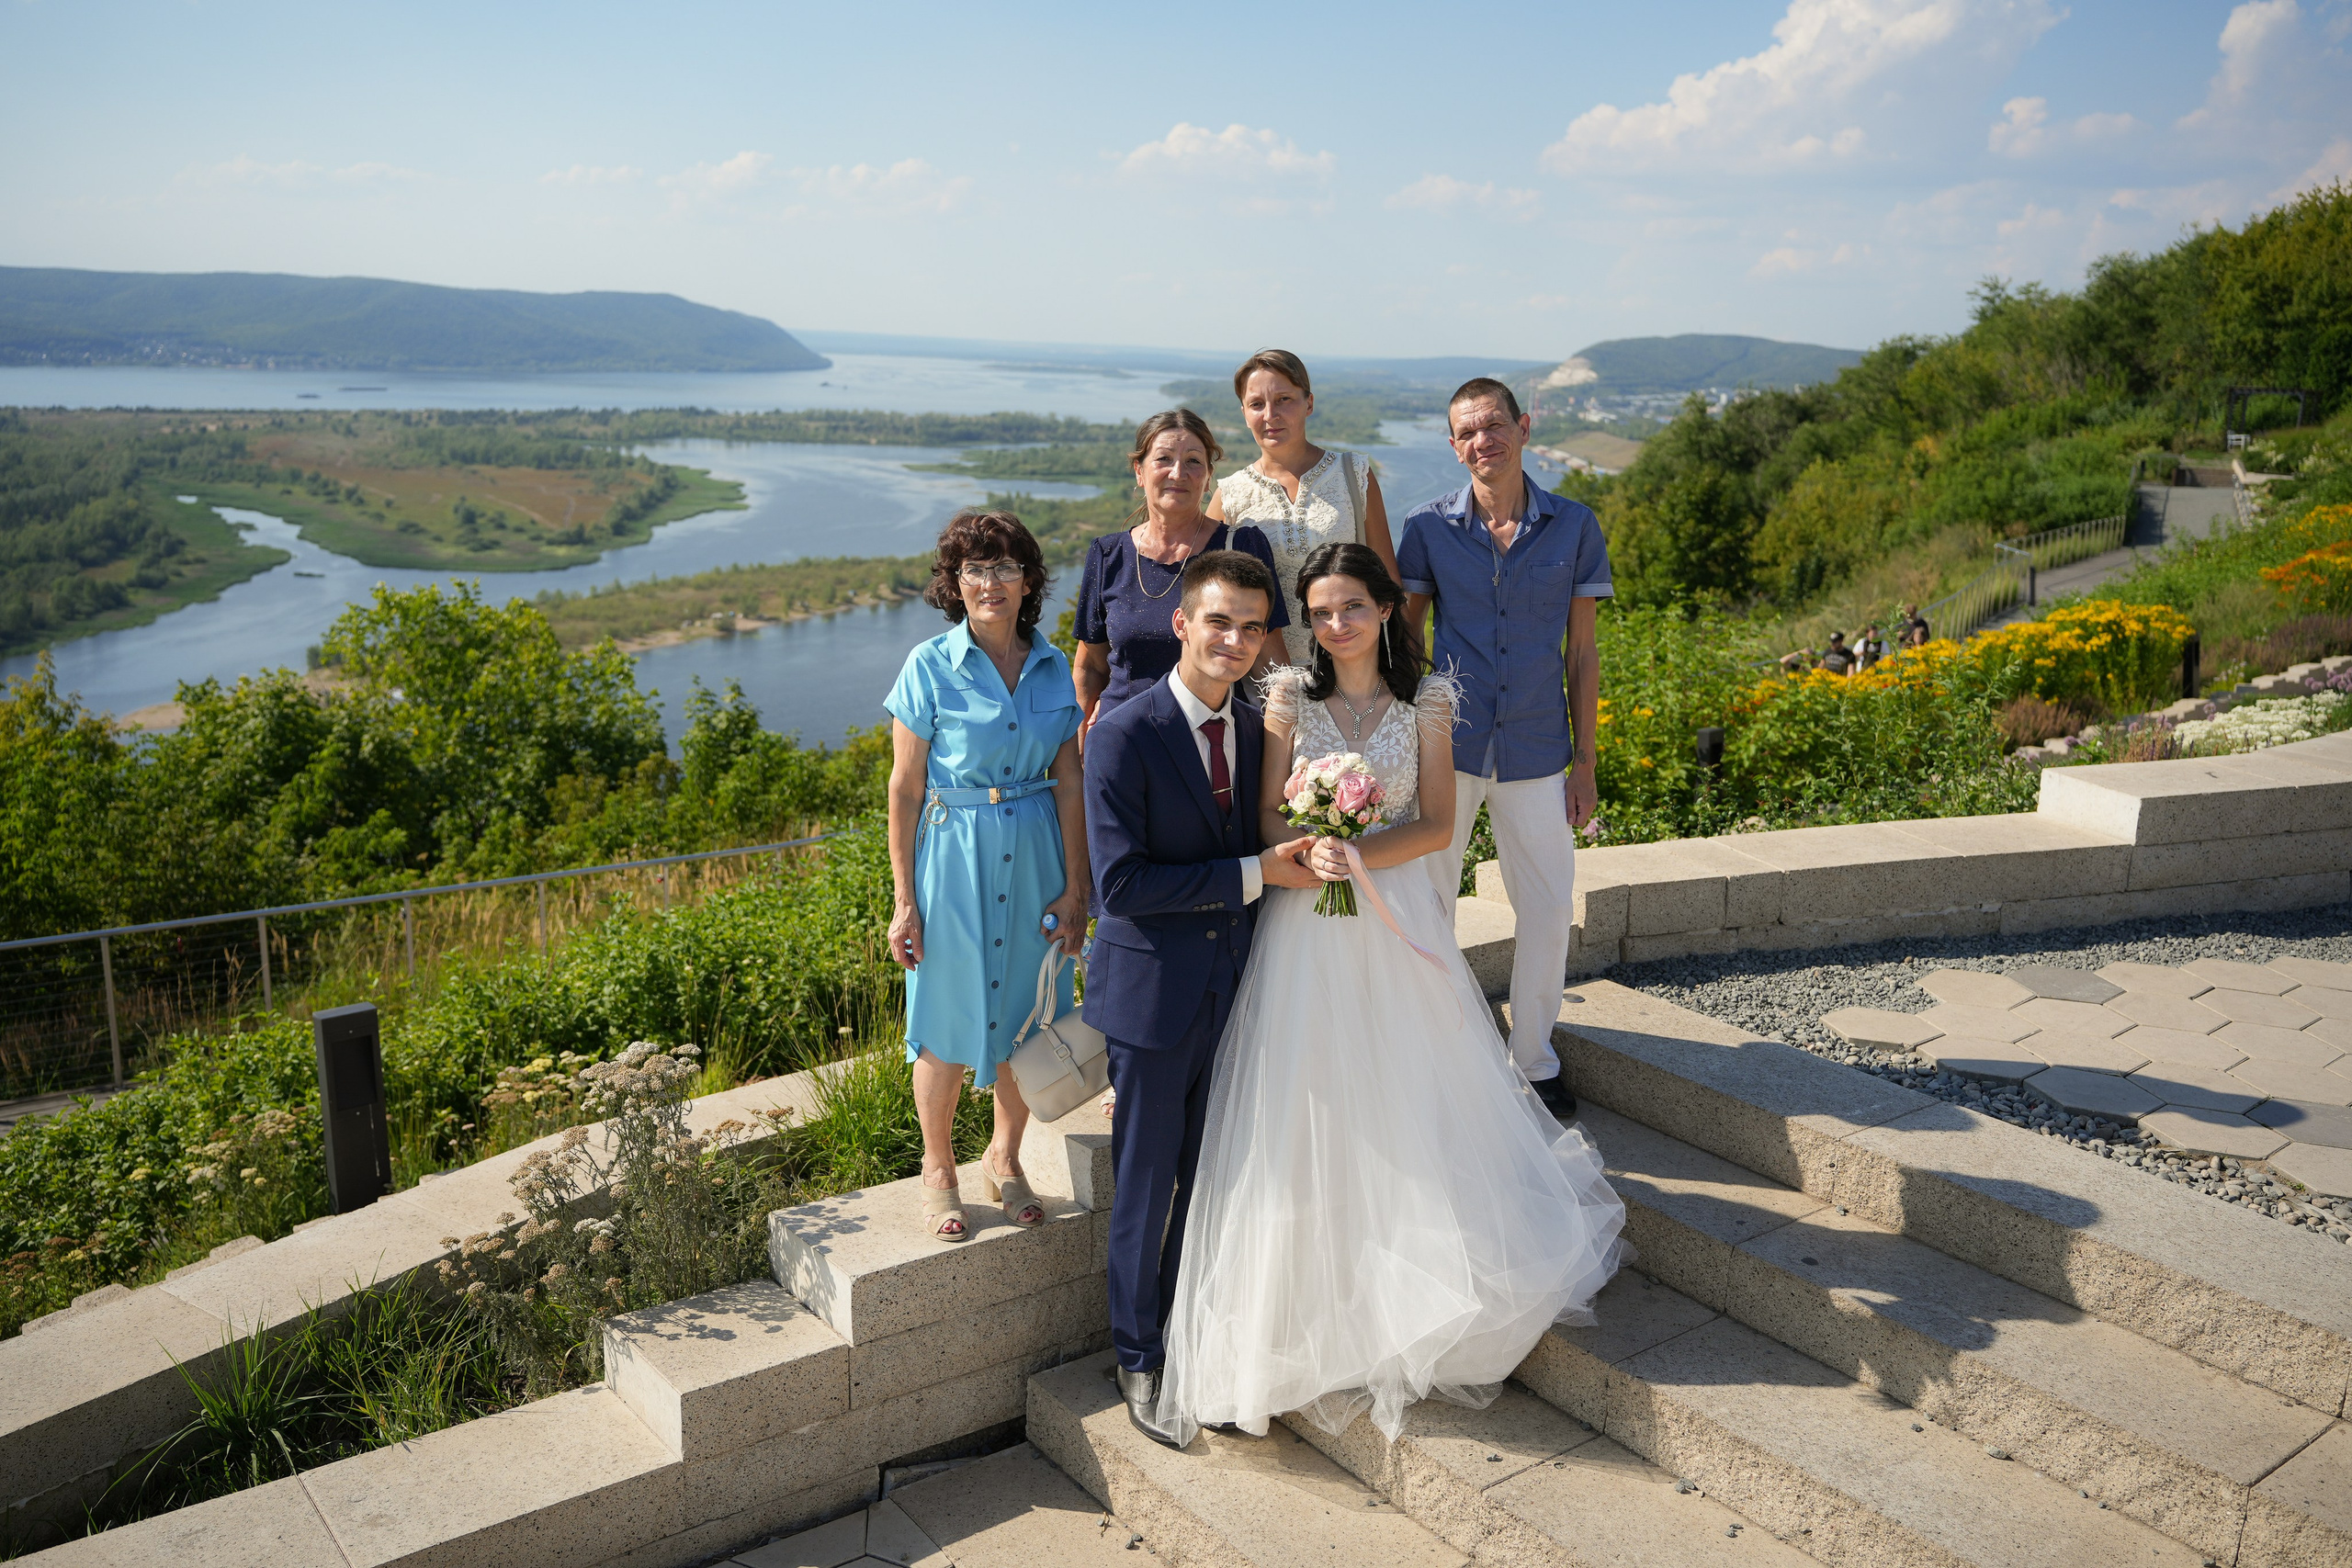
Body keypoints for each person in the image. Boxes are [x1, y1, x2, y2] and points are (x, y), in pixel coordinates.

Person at [1150, 542, 1627, 1449]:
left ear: (1385, 610)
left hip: (1399, 910)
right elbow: (1264, 815)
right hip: (1307, 924)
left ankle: (1421, 1280)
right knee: (1314, 1096)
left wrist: (1356, 854)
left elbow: (1439, 823)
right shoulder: (1286, 697)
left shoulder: (1430, 703)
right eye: (1320, 612)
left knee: (1410, 1087)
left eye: (1352, 609)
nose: (1336, 626)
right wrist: (1314, 845)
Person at [1080, 550, 1320, 1442]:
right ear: (1181, 624)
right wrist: (1257, 873)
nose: (1234, 641)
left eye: (1252, 627)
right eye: (1218, 621)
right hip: (1150, 1001)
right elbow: (1123, 886)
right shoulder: (1122, 733)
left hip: (1242, 989)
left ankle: (1195, 1329)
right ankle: (1137, 1355)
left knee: (1217, 1173)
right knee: (1145, 1184)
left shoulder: (1258, 730)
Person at [1397, 378, 1610, 1118]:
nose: (1482, 440)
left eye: (1493, 425)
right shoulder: (1426, 530)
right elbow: (1407, 639)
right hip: (1446, 750)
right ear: (1454, 447)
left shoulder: (1576, 526)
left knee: (1549, 907)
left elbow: (1581, 654)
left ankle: (1535, 1058)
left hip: (1539, 747)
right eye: (1467, 432)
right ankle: (1440, 1050)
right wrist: (1408, 739)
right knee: (1430, 904)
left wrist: (1585, 763)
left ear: (1524, 426)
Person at [885, 510, 1088, 1244]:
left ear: (1028, 580)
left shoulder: (1053, 664)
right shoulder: (928, 665)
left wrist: (1077, 885)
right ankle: (939, 1167)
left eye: (1005, 567)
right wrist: (905, 901)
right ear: (955, 583)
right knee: (942, 1013)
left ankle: (1003, 1157)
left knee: (1030, 1016)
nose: (991, 581)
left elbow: (1070, 780)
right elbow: (905, 788)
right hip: (952, 856)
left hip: (1037, 851)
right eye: (975, 569)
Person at [1074, 410, 1285, 741]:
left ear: (1208, 476)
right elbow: (1090, 667)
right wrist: (1080, 744)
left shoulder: (1241, 547)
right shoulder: (1107, 555)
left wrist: (1282, 752)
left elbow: (1269, 669)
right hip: (1123, 739)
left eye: (1193, 461)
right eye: (1163, 459)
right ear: (1139, 472)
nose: (1178, 473)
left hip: (1216, 741)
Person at [1208, 349, 1399, 662]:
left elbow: (1389, 582)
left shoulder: (1354, 475)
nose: (1270, 415)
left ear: (1309, 403)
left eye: (1284, 399)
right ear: (1244, 412)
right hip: (1264, 682)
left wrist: (1394, 674)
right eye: (1257, 404)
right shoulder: (1229, 496)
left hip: (1352, 672)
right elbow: (1208, 599)